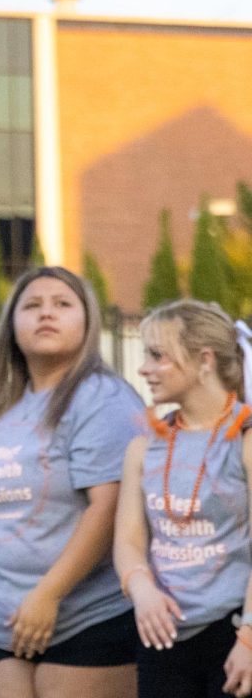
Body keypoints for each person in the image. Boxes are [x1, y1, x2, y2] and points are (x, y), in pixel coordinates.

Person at [0, 266, 144, 698]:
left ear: (88, 322)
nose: (47, 314)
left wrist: (49, 595)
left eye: (63, 304)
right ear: (12, 326)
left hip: (85, 620)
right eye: (32, 306)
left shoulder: (102, 398)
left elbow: (109, 507)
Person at [113, 299, 252, 698]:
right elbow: (128, 542)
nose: (144, 369)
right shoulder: (144, 447)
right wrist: (143, 591)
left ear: (204, 360)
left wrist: (248, 639)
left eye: (158, 356)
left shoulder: (243, 439)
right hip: (161, 633)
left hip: (233, 633)